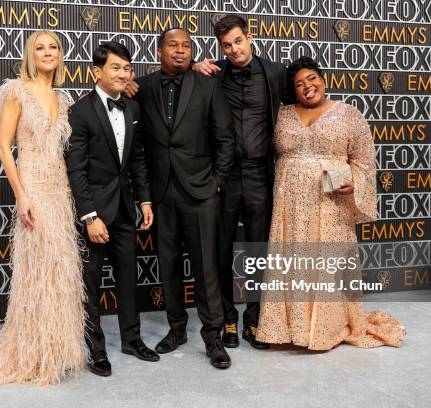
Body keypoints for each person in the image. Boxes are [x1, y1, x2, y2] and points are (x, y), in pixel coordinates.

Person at [0, 30, 87, 388]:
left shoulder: (63, 98)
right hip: (34, 191)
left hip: (61, 192)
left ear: (60, 54)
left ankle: (52, 352)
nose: (47, 52)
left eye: (53, 47)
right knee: (37, 275)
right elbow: (3, 147)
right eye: (39, 47)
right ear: (30, 54)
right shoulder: (15, 91)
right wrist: (22, 196)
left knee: (59, 275)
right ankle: (31, 353)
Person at [256, 56, 406, 350]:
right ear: (293, 90)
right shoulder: (282, 114)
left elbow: (364, 163)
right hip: (290, 206)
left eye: (312, 78)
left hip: (331, 204)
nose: (307, 86)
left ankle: (327, 329)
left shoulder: (350, 114)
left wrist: (354, 183)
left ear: (323, 79)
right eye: (299, 84)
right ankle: (289, 329)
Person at [129, 28, 235, 368]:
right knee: (169, 264)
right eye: (173, 45)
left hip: (201, 191)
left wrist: (217, 181)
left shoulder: (208, 85)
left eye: (187, 46)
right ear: (159, 50)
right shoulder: (142, 88)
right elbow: (137, 145)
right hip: (161, 193)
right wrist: (145, 193)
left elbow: (225, 139)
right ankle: (176, 329)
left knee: (207, 268)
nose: (180, 51)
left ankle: (213, 336)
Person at [191, 15, 292, 350]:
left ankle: (254, 320)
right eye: (226, 45)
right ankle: (227, 320)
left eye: (237, 41)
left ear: (250, 37)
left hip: (261, 175)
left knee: (257, 251)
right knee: (220, 250)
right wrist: (192, 67)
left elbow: (305, 105)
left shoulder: (276, 72)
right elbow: (178, 85)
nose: (232, 49)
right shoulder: (212, 74)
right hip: (224, 176)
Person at [65, 42, 159, 377]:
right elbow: (75, 170)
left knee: (128, 277)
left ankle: (132, 340)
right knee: (91, 283)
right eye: (116, 67)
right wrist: (89, 216)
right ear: (97, 72)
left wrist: (144, 200)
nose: (123, 74)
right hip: (94, 212)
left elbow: (137, 161)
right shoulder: (80, 112)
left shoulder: (132, 109)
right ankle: (96, 350)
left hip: (124, 209)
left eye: (127, 68)